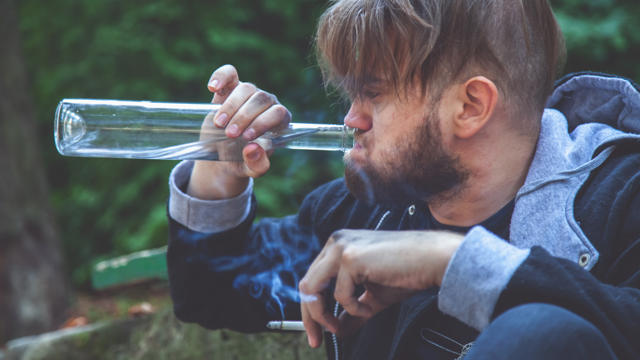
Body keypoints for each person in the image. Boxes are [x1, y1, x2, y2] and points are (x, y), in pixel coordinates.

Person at [166, 0, 640, 359]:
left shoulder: (624, 197)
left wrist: (448, 261)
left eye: (372, 93)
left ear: (470, 106)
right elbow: (210, 292)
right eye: (351, 93)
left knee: (539, 333)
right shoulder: (360, 212)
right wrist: (219, 167)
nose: (352, 117)